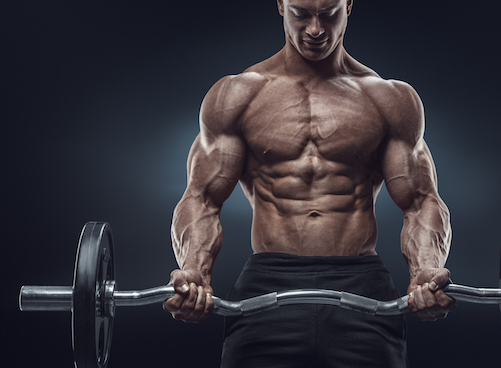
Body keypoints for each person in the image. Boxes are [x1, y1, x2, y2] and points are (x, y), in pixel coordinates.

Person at [163, 0, 455, 366]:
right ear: (281, 5)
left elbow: (421, 201)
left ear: (348, 6)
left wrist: (425, 271)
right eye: (301, 13)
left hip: (361, 285)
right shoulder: (236, 96)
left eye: (328, 14)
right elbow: (201, 199)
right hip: (268, 281)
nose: (315, 29)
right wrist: (195, 272)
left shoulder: (389, 99)